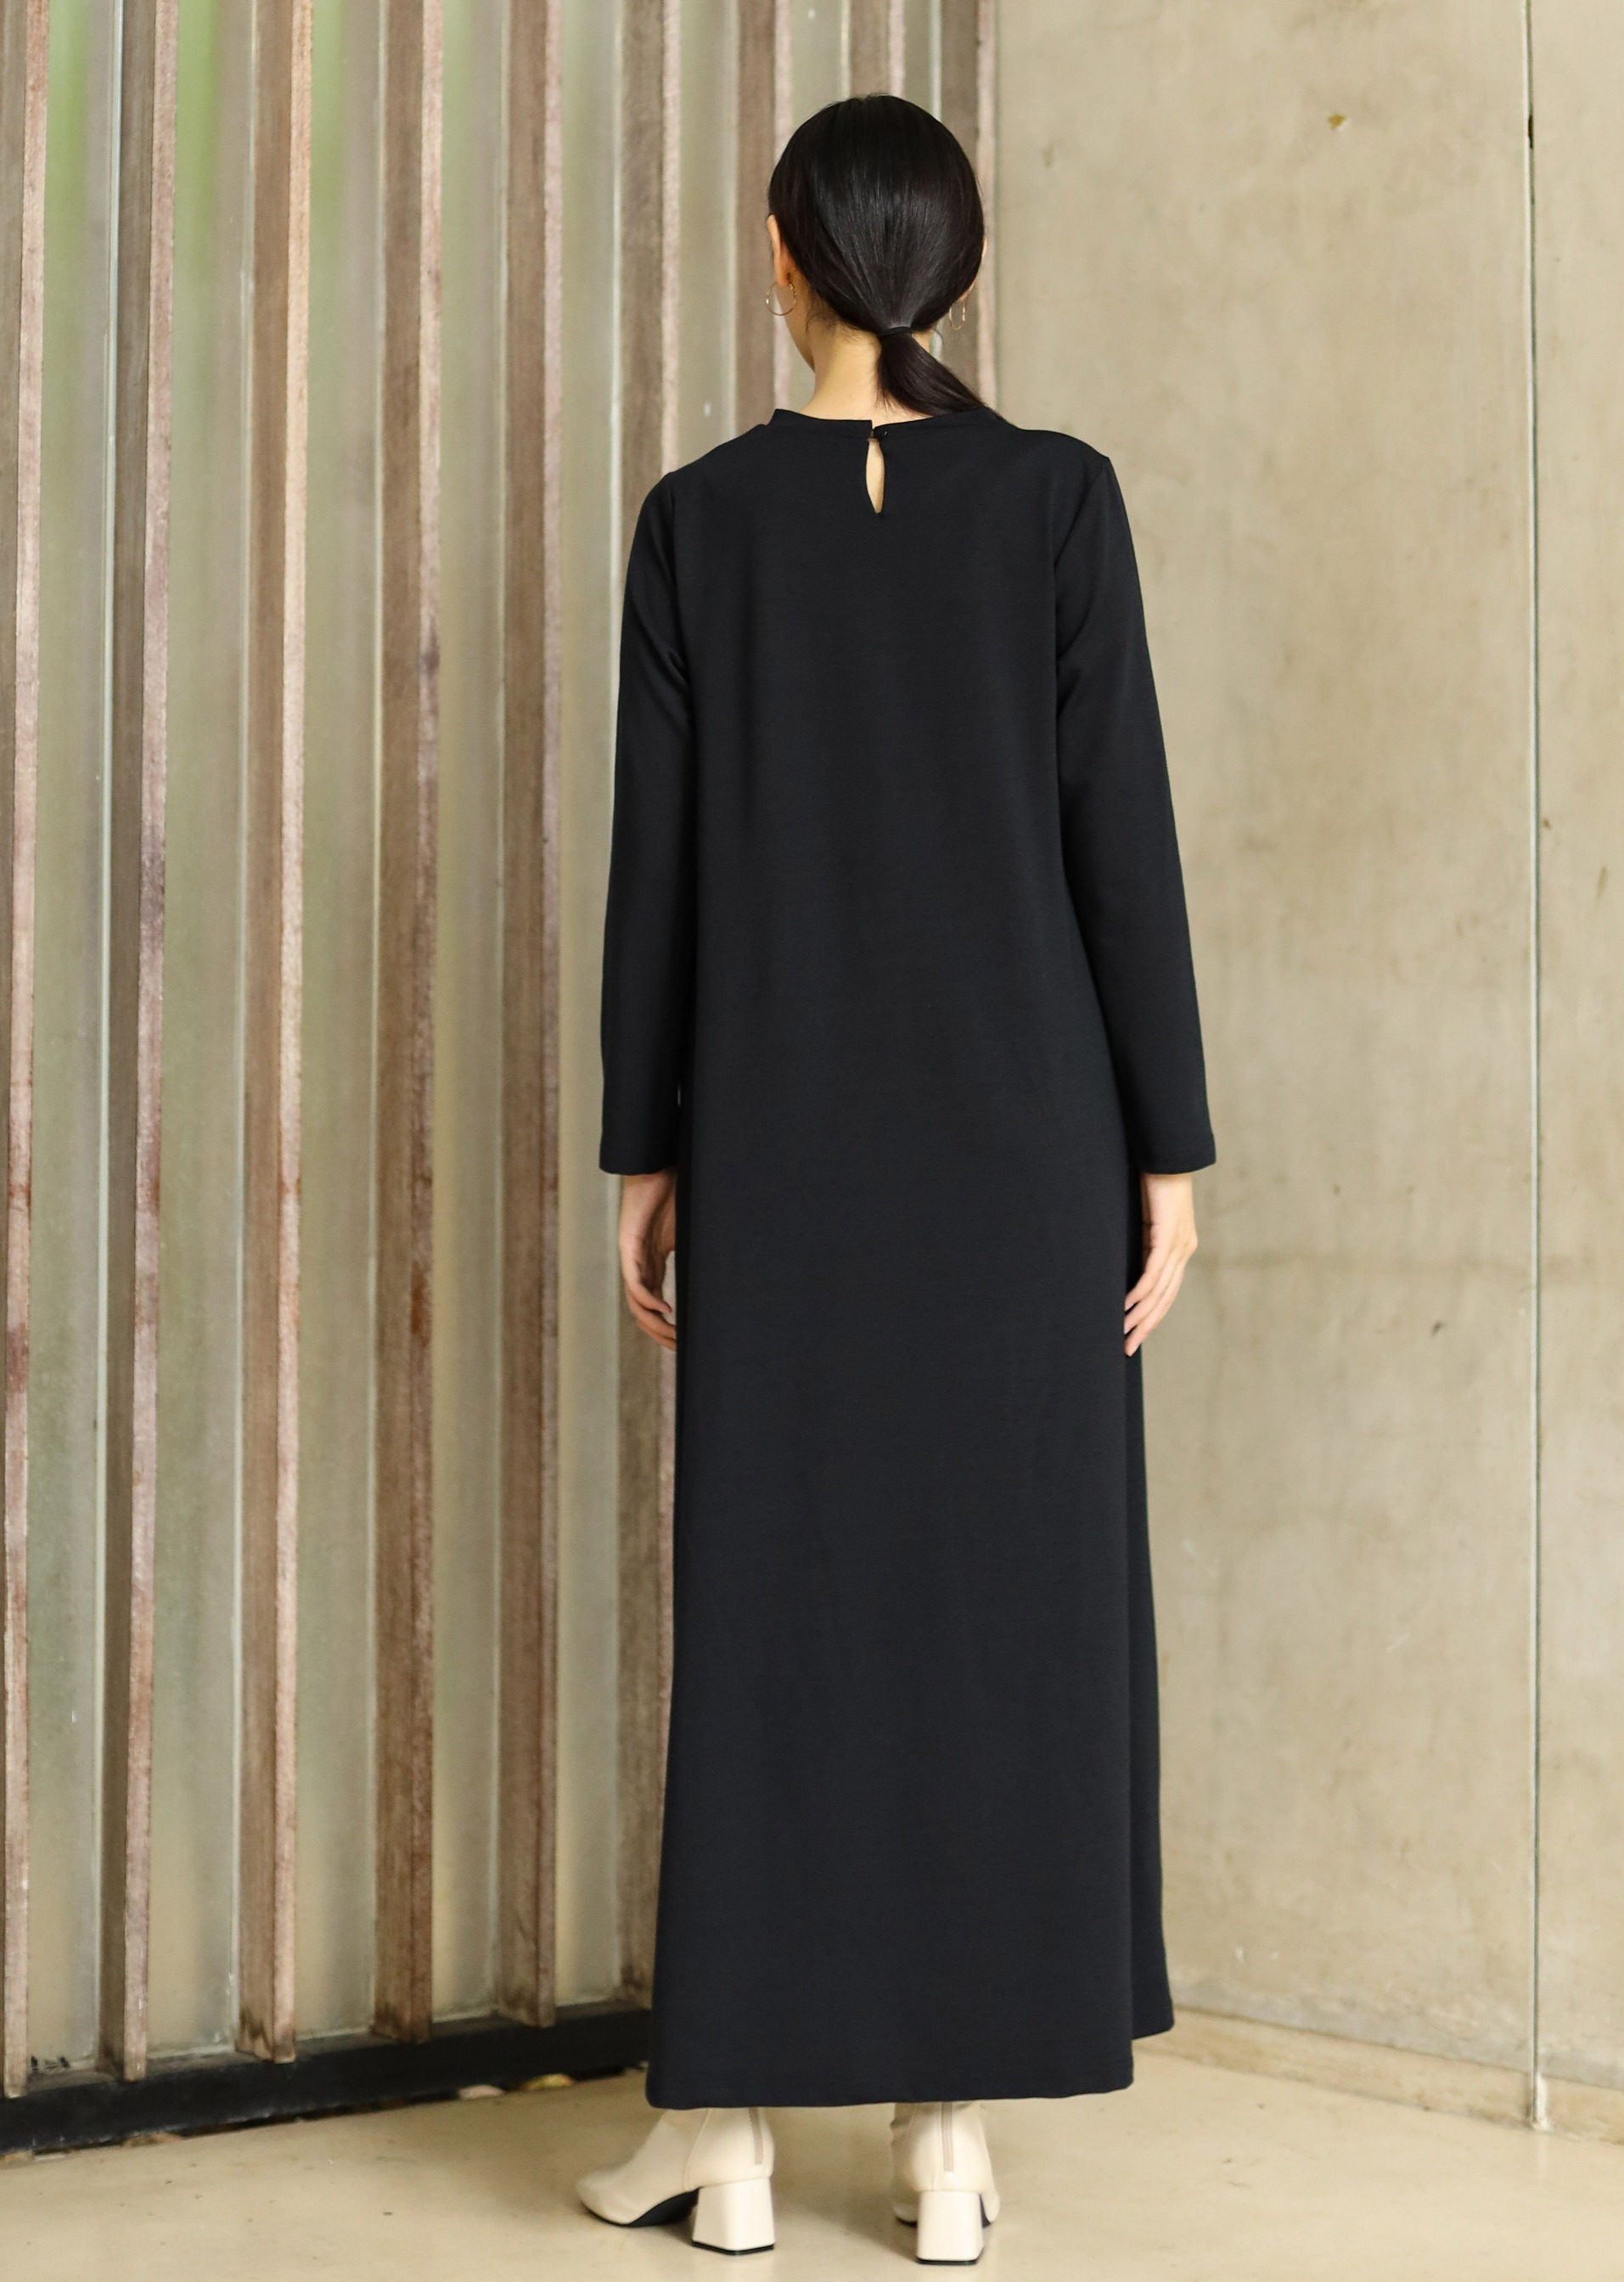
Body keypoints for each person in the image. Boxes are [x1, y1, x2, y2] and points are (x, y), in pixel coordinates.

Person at [578, 93, 1212, 2265]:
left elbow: (659, 873)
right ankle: (947, 2144)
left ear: (784, 255)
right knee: (998, 1614)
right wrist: (1166, 1153)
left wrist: (646, 1149)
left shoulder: (701, 521)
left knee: (779, 1614)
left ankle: (733, 2138)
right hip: (1028, 1149)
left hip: (787, 1145)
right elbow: (1120, 847)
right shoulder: (1057, 502)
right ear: (952, 266)